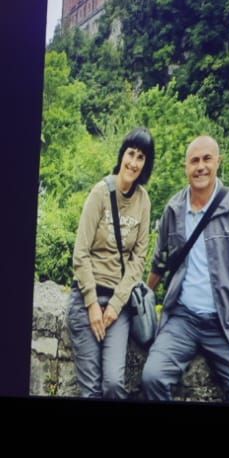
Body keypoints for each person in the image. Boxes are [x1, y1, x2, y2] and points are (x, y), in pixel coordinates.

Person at [140, 134, 229, 404]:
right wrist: (143, 296)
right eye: (194, 161)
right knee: (152, 377)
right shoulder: (173, 209)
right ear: (186, 166)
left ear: (218, 161)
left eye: (207, 159)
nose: (200, 167)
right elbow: (160, 262)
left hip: (227, 323)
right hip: (182, 318)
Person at [68, 128, 155, 400]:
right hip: (87, 302)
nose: (133, 162)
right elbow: (80, 253)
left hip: (119, 306)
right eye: (131, 153)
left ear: (145, 165)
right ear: (122, 155)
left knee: (114, 385)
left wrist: (116, 304)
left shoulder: (143, 201)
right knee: (91, 390)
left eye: (141, 157)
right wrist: (93, 304)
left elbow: (139, 259)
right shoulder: (100, 193)